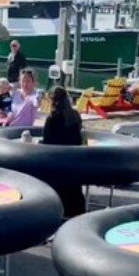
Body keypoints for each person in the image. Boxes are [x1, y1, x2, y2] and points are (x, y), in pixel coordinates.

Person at [40, 86, 86, 217]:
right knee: (75, 193)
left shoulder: (51, 119)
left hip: (56, 164)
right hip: (74, 162)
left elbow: (47, 142)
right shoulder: (75, 115)